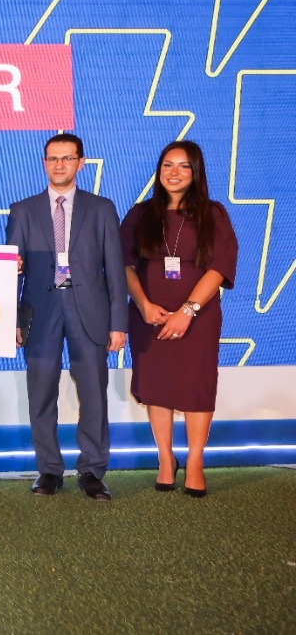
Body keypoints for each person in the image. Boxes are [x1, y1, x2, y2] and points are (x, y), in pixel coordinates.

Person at [6, 133, 127, 501]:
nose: (59, 164)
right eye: (53, 158)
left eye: (67, 158)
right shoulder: (23, 210)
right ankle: (49, 470)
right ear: (45, 163)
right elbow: (11, 270)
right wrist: (11, 318)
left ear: (80, 163)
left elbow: (115, 269)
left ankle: (92, 471)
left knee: (93, 394)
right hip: (40, 311)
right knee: (41, 393)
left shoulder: (101, 208)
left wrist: (118, 323)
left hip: (89, 310)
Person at [120, 140, 237, 497]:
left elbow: (219, 267)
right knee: (157, 387)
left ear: (195, 172)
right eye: (167, 165)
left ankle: (196, 461)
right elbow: (125, 264)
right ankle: (165, 459)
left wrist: (187, 311)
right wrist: (142, 304)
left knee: (196, 387)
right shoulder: (140, 214)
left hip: (198, 317)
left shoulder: (212, 214)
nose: (174, 172)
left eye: (184, 166)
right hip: (150, 316)